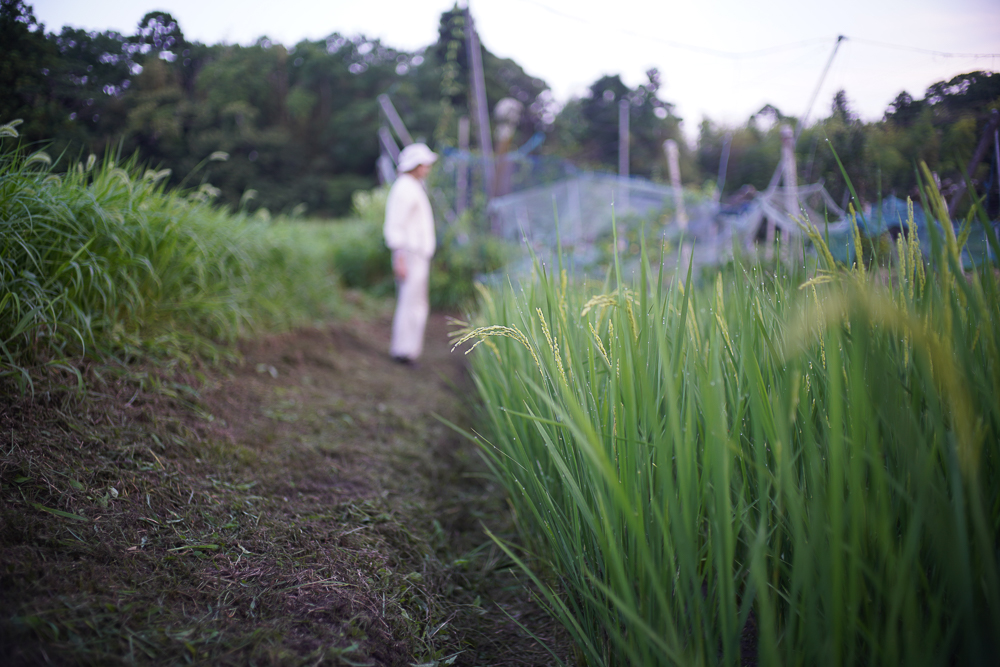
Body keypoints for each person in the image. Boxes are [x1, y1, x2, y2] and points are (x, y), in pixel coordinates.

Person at [383, 143, 438, 365]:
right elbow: (396, 225)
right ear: (416, 165)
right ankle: (403, 351)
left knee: (416, 303)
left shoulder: (413, 186)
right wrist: (400, 257)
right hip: (410, 253)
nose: (428, 168)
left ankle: (409, 349)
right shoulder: (404, 188)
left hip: (417, 254)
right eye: (425, 164)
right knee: (410, 302)